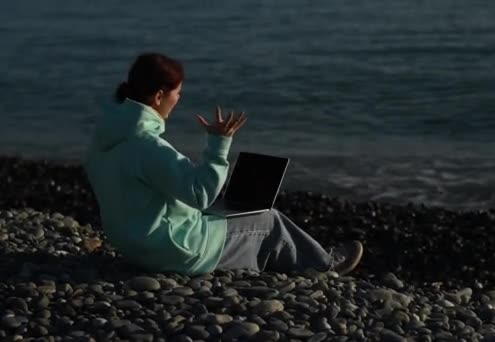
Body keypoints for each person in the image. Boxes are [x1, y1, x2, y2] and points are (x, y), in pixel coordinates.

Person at [84, 52, 363, 276]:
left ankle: (279, 261)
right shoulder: (149, 147)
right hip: (173, 251)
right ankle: (326, 265)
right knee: (269, 221)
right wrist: (218, 145)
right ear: (159, 96)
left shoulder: (105, 138)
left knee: (221, 211)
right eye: (177, 93)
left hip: (133, 245)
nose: (178, 100)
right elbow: (200, 193)